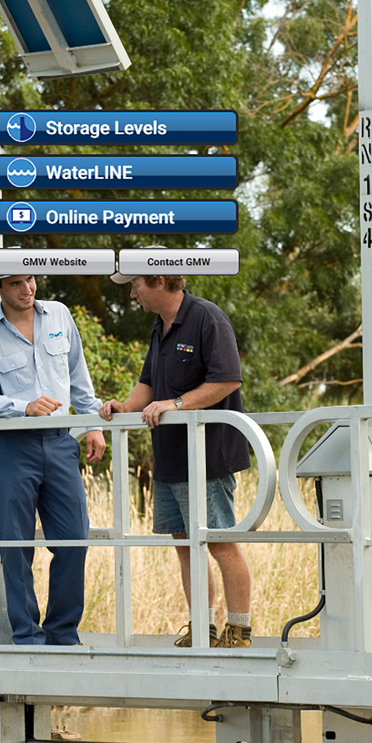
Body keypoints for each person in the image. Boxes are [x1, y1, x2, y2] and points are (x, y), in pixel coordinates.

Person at [99, 270, 251, 649]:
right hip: (169, 456)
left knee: (219, 542)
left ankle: (239, 631)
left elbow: (227, 380)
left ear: (160, 280)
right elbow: (148, 383)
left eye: (135, 285)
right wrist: (124, 406)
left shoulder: (207, 318)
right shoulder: (159, 325)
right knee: (184, 544)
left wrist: (176, 404)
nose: (132, 294)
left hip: (206, 458)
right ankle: (203, 627)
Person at [0, 255, 106, 645]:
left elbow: (79, 376)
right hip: (13, 448)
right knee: (15, 547)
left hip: (62, 443)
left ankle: (63, 633)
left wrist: (92, 422)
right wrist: (22, 407)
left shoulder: (60, 316)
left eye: (30, 279)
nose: (27, 288)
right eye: (15, 283)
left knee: (75, 538)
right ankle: (27, 635)